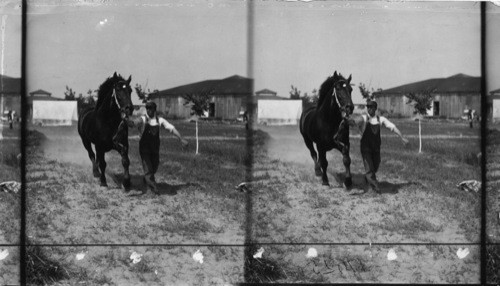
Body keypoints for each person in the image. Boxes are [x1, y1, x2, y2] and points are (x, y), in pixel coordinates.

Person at [127, 101, 188, 194]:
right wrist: (125, 118)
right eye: (147, 108)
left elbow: (171, 129)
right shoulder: (142, 119)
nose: (148, 110)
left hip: (155, 148)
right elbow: (132, 124)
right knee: (148, 168)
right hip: (144, 148)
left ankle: (146, 179)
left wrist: (181, 138)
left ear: (154, 110)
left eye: (150, 108)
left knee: (154, 167)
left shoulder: (160, 120)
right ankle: (153, 189)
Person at [348, 100, 409, 193]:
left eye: (371, 107)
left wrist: (402, 137)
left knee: (375, 166)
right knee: (369, 168)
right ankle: (375, 188)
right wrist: (347, 119)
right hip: (365, 148)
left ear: (375, 108)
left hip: (376, 148)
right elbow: (354, 122)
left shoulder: (381, 119)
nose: (369, 109)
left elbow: (392, 127)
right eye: (367, 107)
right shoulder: (363, 118)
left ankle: (367, 179)